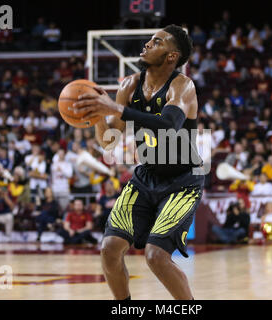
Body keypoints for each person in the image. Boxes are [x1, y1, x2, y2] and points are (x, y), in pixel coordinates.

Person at [73, 25, 204, 300]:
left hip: (183, 182)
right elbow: (109, 142)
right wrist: (97, 115)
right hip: (145, 177)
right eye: (150, 40)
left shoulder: (182, 86)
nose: (147, 44)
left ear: (171, 56)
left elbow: (169, 124)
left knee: (155, 256)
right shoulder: (129, 85)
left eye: (156, 42)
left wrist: (116, 109)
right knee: (109, 248)